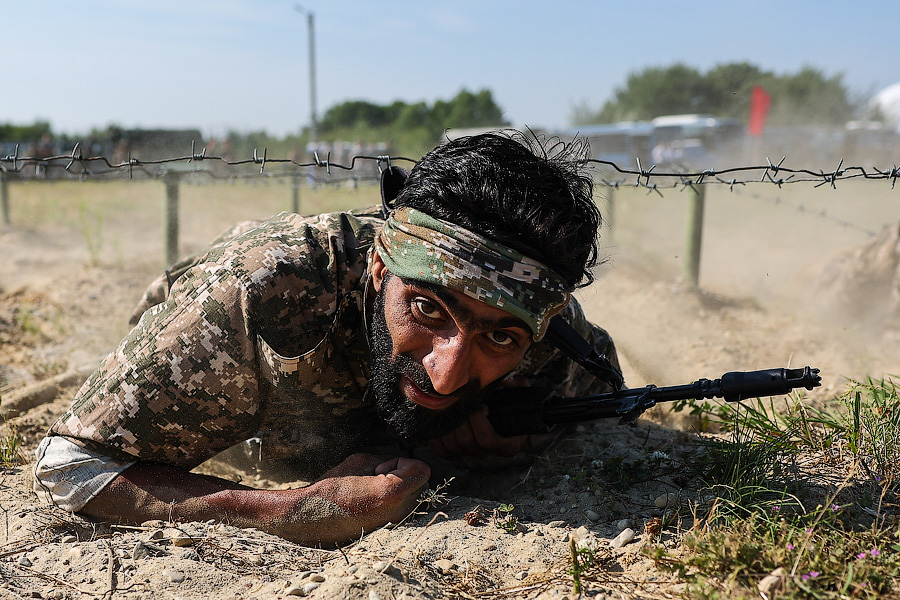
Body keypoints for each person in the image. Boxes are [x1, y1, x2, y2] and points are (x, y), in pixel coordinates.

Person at [33, 131, 620, 546]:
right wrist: (282, 511)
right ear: (380, 268)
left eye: (499, 339)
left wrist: (518, 423)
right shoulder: (265, 290)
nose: (447, 373)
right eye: (427, 310)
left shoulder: (541, 328)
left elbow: (609, 394)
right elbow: (69, 465)